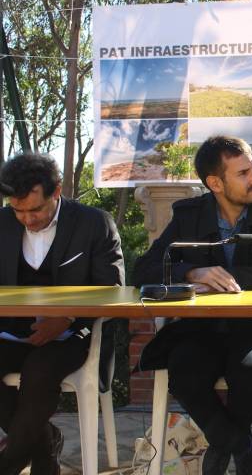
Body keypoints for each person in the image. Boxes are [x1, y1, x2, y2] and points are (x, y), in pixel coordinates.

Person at [133, 136, 252, 475]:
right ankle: (241, 449)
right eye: (243, 173)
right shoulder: (188, 215)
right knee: (184, 371)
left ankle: (220, 453)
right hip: (200, 328)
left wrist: (225, 278)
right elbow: (145, 269)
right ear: (215, 183)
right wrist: (192, 271)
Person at [0, 153, 125, 475]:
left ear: (56, 191)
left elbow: (112, 288)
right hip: (11, 332)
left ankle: (9, 464)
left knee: (39, 372)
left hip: (74, 334)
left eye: (35, 209)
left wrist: (67, 318)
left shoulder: (94, 223)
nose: (27, 219)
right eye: (18, 210)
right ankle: (44, 443)